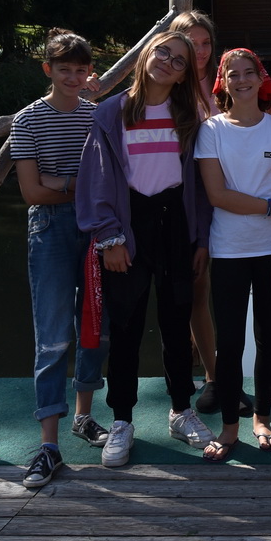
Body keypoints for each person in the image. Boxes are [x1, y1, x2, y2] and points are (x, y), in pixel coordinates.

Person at [76, 30, 215, 467]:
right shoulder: (111, 112)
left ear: (184, 75)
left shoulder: (189, 116)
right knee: (126, 327)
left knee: (176, 321)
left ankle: (181, 410)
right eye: (162, 53)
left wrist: (201, 239)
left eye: (178, 61)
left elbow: (200, 186)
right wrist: (110, 238)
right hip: (128, 226)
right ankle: (122, 419)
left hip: (175, 224)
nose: (167, 63)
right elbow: (97, 181)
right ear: (146, 56)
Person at [11, 29, 110, 488]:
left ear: (90, 72)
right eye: (64, 69)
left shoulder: (97, 116)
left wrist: (60, 181)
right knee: (52, 338)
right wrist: (76, 185)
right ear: (47, 69)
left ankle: (83, 416)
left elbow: (107, 182)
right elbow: (32, 191)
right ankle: (48, 446)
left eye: (80, 70)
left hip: (94, 230)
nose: (73, 77)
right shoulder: (28, 121)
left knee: (95, 327)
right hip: (49, 231)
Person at [195, 48, 271, 461]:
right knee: (231, 342)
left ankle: (263, 420)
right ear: (222, 82)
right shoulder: (211, 130)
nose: (241, 80)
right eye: (232, 74)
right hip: (229, 250)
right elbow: (218, 195)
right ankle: (229, 428)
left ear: (260, 78)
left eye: (248, 73)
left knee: (269, 336)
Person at [168, 10, 249, 419]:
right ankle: (213, 378)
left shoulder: (224, 85)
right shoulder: (167, 87)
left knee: (228, 292)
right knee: (195, 290)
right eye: (191, 43)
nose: (199, 51)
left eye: (205, 43)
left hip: (229, 200)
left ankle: (230, 377)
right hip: (185, 202)